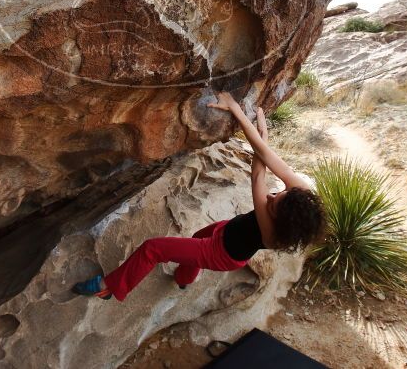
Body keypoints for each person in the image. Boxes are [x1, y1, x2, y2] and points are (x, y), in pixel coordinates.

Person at [73, 92, 325, 301]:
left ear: (280, 222)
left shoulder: (272, 234)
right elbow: (265, 155)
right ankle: (184, 279)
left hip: (221, 254)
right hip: (228, 231)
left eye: (271, 206)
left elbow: (259, 174)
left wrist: (235, 108)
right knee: (196, 238)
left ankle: (109, 287)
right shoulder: (301, 193)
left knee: (153, 249)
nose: (270, 198)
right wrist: (262, 137)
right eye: (277, 195)